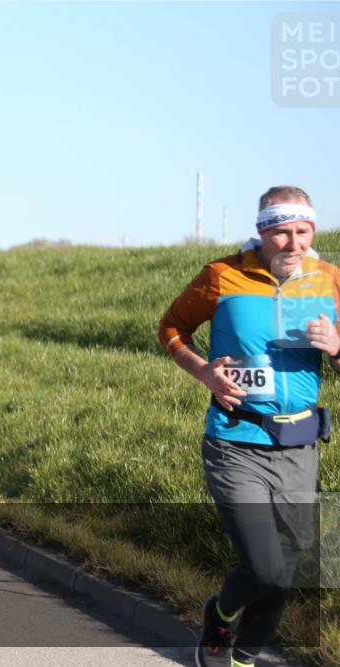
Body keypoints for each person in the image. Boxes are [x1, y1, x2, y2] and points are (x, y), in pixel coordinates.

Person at [158, 186, 339, 667]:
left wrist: (337, 347)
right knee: (264, 565)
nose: (294, 243)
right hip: (236, 440)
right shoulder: (223, 276)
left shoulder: (328, 280)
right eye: (282, 233)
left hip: (299, 446)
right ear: (262, 231)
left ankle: (243, 659)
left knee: (285, 573)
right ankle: (220, 616)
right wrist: (204, 372)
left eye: (303, 232)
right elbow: (171, 328)